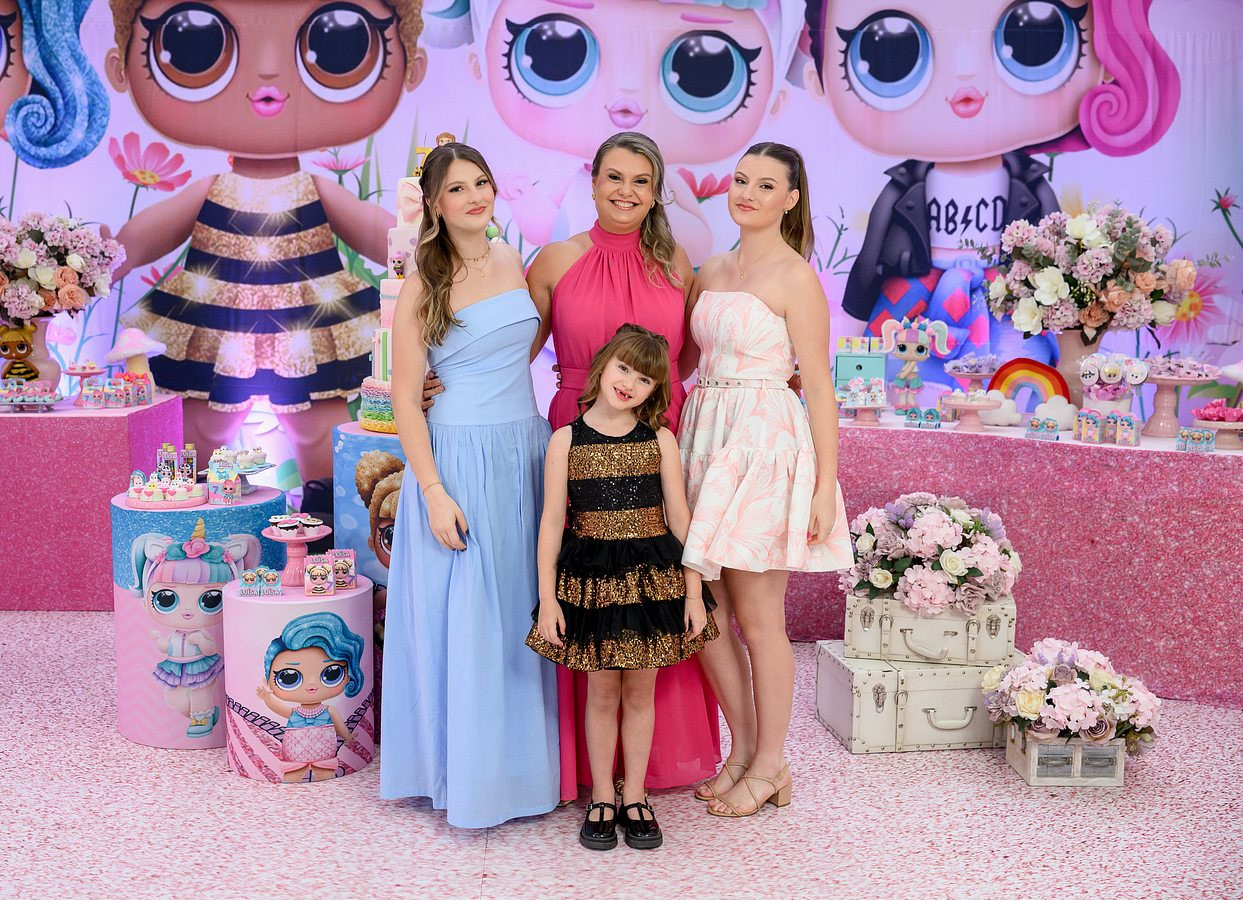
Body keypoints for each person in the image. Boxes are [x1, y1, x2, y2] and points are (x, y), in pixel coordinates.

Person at [801, 0, 1180, 383]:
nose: (964, 75)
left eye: (1039, 42)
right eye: (895, 58)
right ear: (818, 81)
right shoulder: (903, 186)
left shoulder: (1029, 183)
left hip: (1001, 291)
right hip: (919, 285)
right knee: (896, 369)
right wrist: (850, 324)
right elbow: (870, 259)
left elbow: (1056, 252)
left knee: (1017, 368)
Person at [526, 130, 722, 803]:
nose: (626, 191)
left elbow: (684, 356)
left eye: (641, 181)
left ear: (656, 191)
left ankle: (647, 773)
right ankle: (584, 774)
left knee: (652, 581)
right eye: (614, 176)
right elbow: (513, 348)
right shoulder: (555, 260)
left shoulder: (675, 263)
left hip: (659, 431)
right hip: (576, 428)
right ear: (592, 181)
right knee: (584, 580)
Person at [379, 142, 559, 828]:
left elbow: (519, 345)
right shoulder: (422, 284)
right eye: (457, 188)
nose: (475, 197)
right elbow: (404, 397)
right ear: (433, 203)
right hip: (460, 458)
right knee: (472, 617)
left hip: (522, 451)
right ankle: (467, 778)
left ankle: (522, 770)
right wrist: (431, 490)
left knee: (519, 613)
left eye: (481, 182)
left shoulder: (512, 257)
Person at [679, 141, 853, 817]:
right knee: (709, 613)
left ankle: (773, 762)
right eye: (740, 180)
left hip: (763, 441)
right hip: (705, 435)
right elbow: (685, 360)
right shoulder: (711, 269)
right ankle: (744, 753)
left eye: (765, 185)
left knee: (758, 617)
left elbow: (819, 387)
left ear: (790, 199)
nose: (746, 193)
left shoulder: (795, 277)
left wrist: (823, 485)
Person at [526, 325, 716, 851]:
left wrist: (694, 593)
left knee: (641, 692)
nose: (630, 382)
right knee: (602, 693)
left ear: (656, 389)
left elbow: (680, 519)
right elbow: (551, 523)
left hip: (652, 581)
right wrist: (548, 599)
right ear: (604, 365)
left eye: (645, 378)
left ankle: (636, 795)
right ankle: (602, 797)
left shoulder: (660, 440)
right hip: (592, 582)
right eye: (624, 368)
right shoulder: (565, 439)